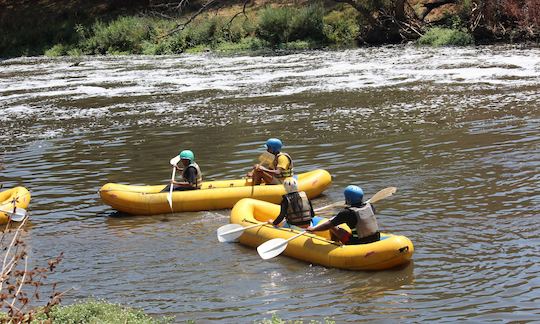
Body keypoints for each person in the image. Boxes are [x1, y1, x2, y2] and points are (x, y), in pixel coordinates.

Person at [307, 185, 380, 245]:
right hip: (376, 238)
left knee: (333, 226)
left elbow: (328, 225)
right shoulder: (370, 206)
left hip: (357, 242)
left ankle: (335, 245)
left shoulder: (346, 213)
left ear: (347, 198)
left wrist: (313, 229)